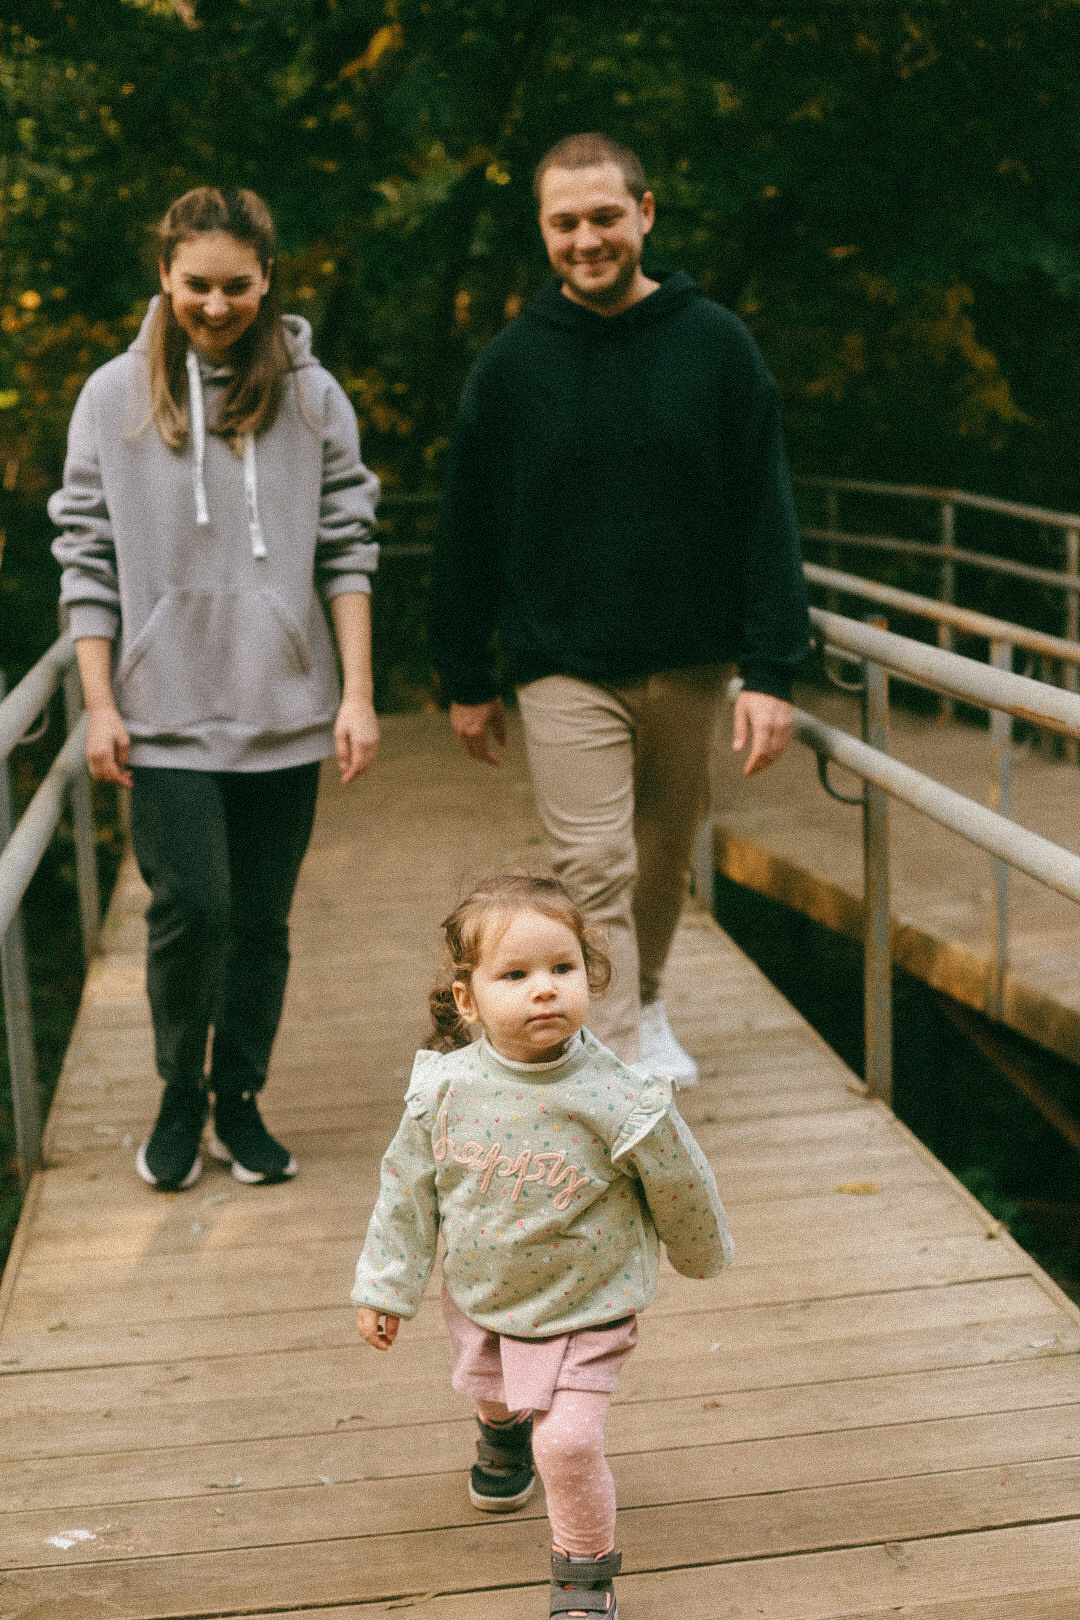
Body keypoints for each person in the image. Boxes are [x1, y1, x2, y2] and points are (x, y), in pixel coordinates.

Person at [429, 133, 810, 1086]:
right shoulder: (511, 366)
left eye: (604, 217)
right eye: (565, 223)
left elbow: (766, 511)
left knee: (663, 855)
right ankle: (620, 1067)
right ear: (543, 231)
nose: (586, 239)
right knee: (594, 865)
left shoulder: (716, 346)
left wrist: (772, 668)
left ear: (644, 214)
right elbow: (467, 528)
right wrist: (465, 675)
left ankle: (645, 999)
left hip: (689, 655)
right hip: (562, 659)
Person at [50, 186, 381, 1192]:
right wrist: (101, 704)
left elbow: (348, 547)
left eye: (237, 284)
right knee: (191, 907)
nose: (216, 303)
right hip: (160, 711)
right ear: (165, 275)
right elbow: (86, 556)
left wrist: (357, 694)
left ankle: (238, 1098)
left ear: (267, 279)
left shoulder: (313, 398)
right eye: (196, 283)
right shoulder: (112, 396)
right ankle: (177, 1096)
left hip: (286, 708)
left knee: (262, 923)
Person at [353, 873, 732, 1620]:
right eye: (516, 975)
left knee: (568, 1445)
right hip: (485, 1291)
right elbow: (407, 1193)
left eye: (563, 968)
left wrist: (700, 1252)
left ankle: (583, 1575)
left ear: (591, 976)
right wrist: (385, 1286)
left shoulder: (620, 1096)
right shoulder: (444, 1091)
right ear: (468, 999)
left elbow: (682, 1180)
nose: (545, 989)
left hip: (591, 1301)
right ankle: (500, 1436)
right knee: (492, 1387)